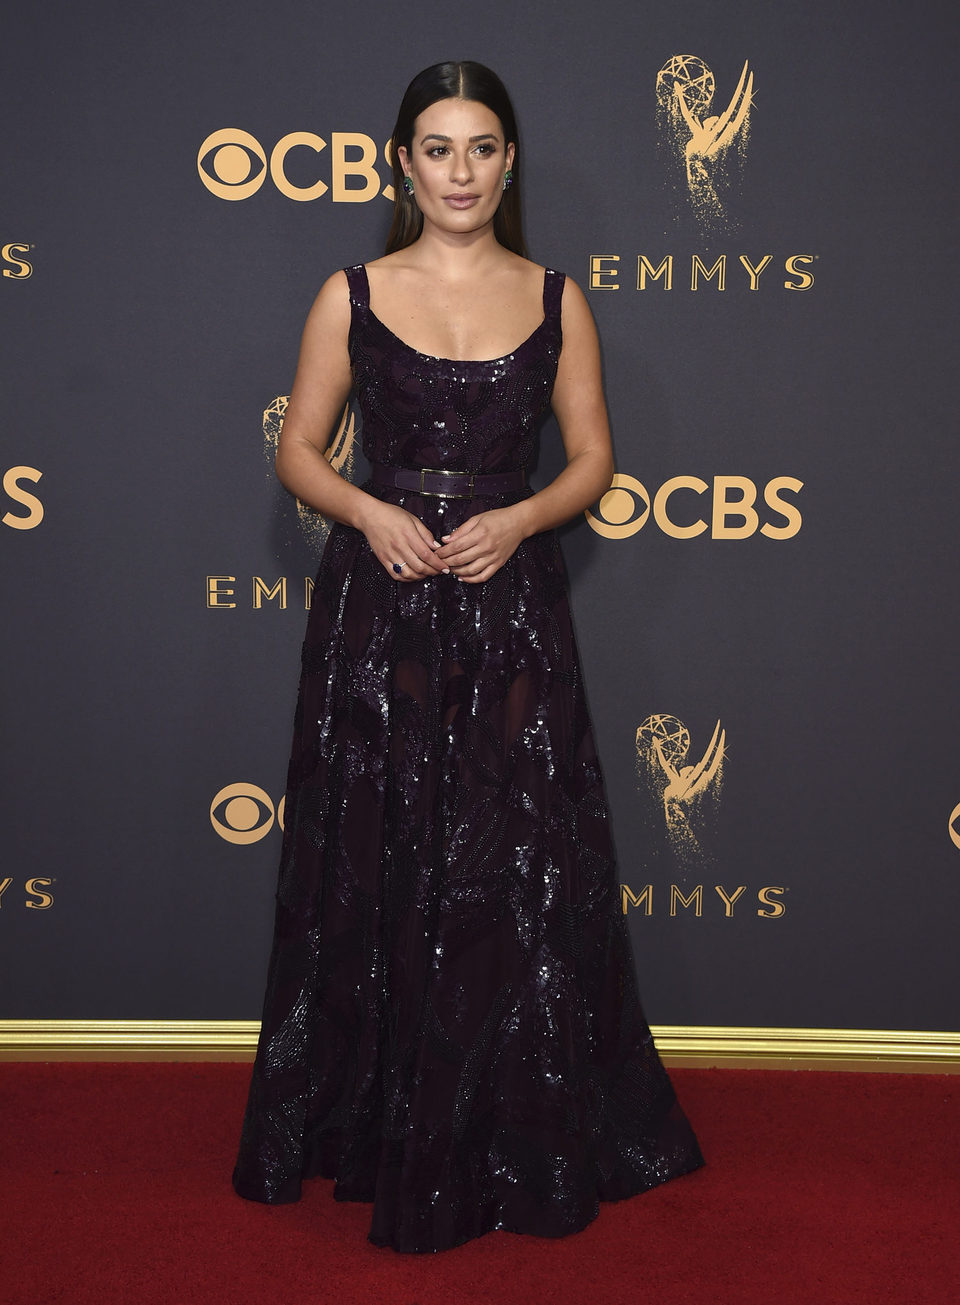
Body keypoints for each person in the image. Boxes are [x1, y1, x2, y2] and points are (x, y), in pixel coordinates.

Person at [232, 59, 704, 1254]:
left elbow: (593, 459)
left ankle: (511, 1123)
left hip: (511, 606)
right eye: (436, 148)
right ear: (402, 163)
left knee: (516, 867)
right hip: (377, 609)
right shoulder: (349, 293)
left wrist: (524, 517)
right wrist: (368, 511)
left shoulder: (559, 298)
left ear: (509, 163)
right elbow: (295, 448)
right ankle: (369, 1119)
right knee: (378, 851)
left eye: (481, 148)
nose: (459, 170)